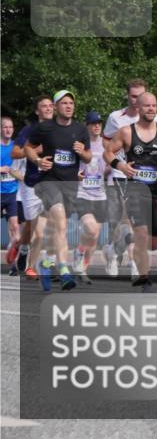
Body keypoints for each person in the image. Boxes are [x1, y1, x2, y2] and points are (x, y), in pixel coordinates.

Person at [103, 92, 157, 292]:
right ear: (138, 107)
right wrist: (120, 165)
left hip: (156, 191)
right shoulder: (126, 132)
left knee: (154, 242)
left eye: (154, 105)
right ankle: (143, 277)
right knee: (142, 234)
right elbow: (107, 152)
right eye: (147, 105)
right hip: (135, 191)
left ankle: (119, 244)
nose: (151, 109)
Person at [24, 90, 91, 291]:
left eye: (71, 103)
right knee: (60, 223)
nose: (69, 106)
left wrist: (83, 152)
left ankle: (46, 264)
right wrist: (37, 160)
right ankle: (63, 270)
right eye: (64, 103)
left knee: (57, 228)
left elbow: (88, 158)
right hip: (49, 183)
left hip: (70, 185)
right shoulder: (45, 128)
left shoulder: (80, 130)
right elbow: (28, 147)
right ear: (55, 107)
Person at [12, 96, 54, 279]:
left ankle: (45, 263)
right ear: (37, 111)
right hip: (33, 183)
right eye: (43, 106)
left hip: (54, 182)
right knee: (31, 225)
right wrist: (34, 152)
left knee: (49, 225)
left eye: (50, 105)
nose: (48, 109)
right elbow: (15, 152)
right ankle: (23, 249)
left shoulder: (61, 129)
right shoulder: (29, 130)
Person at [72, 111, 108, 282]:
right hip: (82, 193)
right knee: (91, 229)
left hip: (100, 194)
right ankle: (79, 251)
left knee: (94, 238)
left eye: (99, 123)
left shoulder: (107, 145)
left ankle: (83, 270)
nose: (97, 126)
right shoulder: (79, 145)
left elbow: (109, 168)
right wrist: (75, 175)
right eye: (93, 123)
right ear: (86, 126)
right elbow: (70, 165)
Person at [1, 116, 20, 267]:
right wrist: (2, 169)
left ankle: (13, 261)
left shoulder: (16, 148)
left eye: (10, 127)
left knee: (15, 226)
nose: (8, 130)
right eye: (5, 127)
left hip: (12, 192)